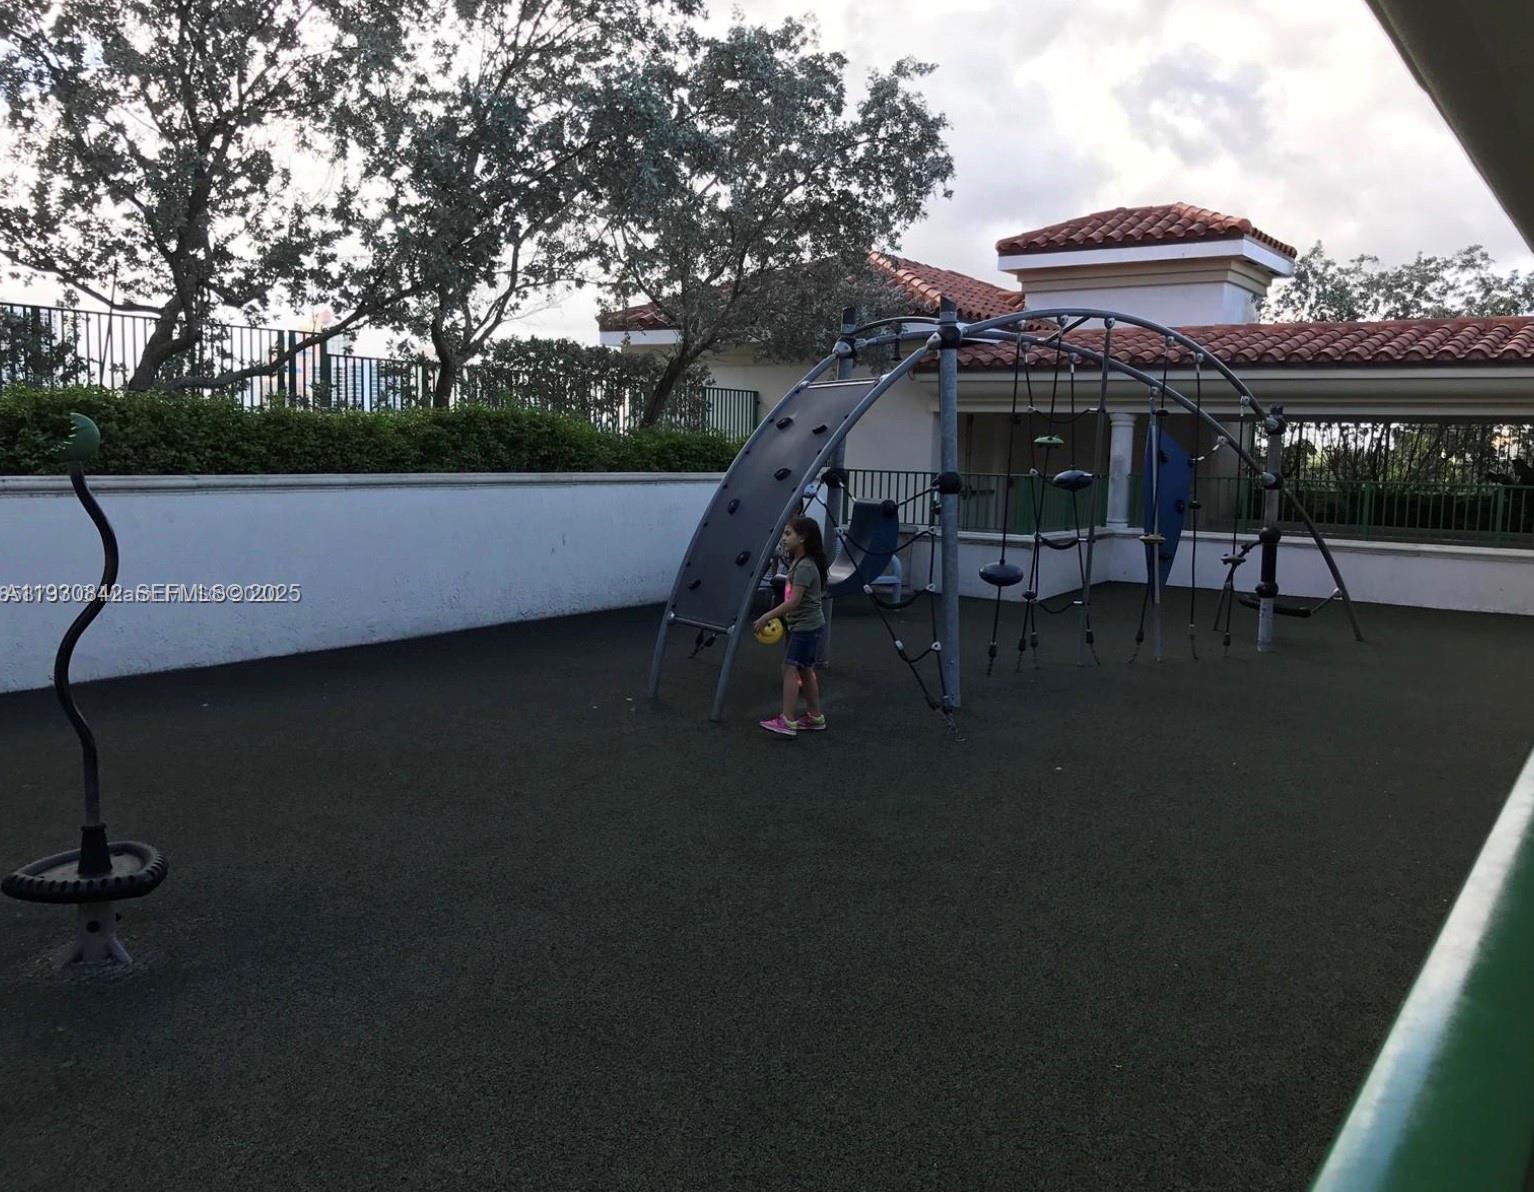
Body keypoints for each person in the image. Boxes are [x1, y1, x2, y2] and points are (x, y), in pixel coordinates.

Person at [753, 516, 829, 737]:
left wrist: (767, 615)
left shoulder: (805, 566)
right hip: (806, 626)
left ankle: (787, 720)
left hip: (806, 628)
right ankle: (815, 717)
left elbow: (794, 601)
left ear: (802, 538)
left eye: (788, 534)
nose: (784, 539)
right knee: (805, 670)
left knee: (790, 669)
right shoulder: (799, 562)